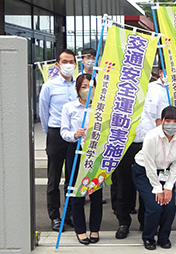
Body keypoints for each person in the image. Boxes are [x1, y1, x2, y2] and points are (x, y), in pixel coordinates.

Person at [114, 67, 170, 239]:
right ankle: (123, 222)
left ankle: (145, 222)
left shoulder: (157, 90)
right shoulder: (119, 89)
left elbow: (162, 119)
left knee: (149, 183)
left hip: (148, 145)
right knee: (123, 185)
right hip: (124, 144)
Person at [132, 106, 176, 250]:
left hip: (165, 172)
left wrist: (168, 187)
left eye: (175, 121)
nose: (171, 124)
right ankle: (148, 237)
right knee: (155, 206)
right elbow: (149, 165)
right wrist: (158, 189)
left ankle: (164, 237)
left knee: (170, 206)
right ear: (161, 121)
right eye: (167, 120)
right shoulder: (151, 136)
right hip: (144, 171)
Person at [60, 73, 101, 245]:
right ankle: (80, 229)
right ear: (77, 89)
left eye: (91, 87)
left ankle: (95, 229)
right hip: (76, 151)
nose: (88, 90)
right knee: (76, 192)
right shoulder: (69, 107)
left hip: (95, 153)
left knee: (96, 193)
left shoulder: (100, 108)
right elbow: (63, 132)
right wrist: (74, 135)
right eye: (84, 87)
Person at [39, 49, 77, 231]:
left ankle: (70, 214)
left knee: (72, 177)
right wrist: (50, 132)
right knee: (54, 178)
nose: (68, 65)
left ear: (75, 64)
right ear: (58, 64)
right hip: (55, 134)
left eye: (71, 61)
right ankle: (54, 215)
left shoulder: (80, 86)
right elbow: (43, 112)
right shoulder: (49, 86)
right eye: (64, 61)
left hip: (74, 136)